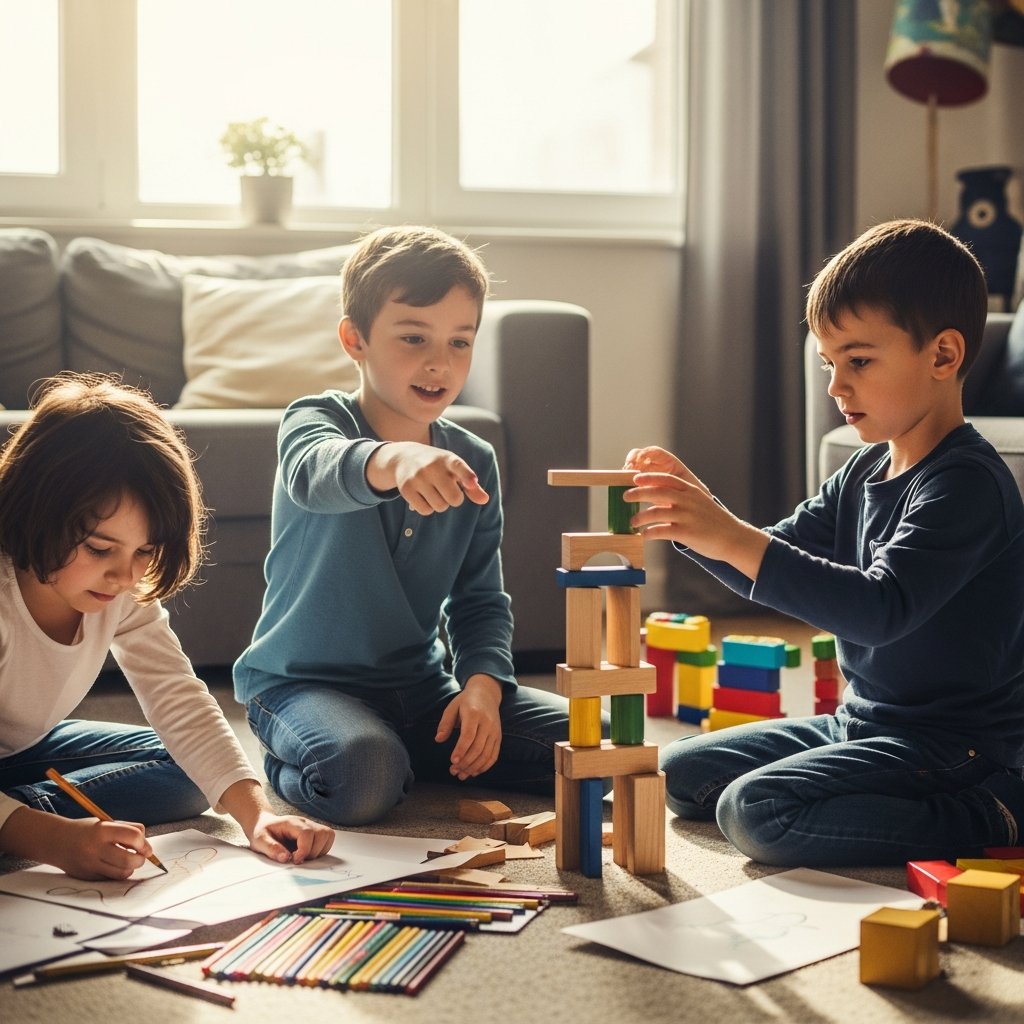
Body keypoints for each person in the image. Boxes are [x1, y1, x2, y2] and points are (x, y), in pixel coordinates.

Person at [624, 219, 1024, 866]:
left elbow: (879, 608)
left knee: (755, 810)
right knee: (675, 771)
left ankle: (993, 815)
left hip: (960, 750)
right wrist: (692, 518)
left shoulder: (967, 485)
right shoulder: (864, 470)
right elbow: (768, 556)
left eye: (859, 361)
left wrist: (728, 533)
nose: (837, 387)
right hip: (861, 725)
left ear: (943, 356)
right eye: (829, 364)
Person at [234, 226, 577, 827]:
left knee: (600, 747)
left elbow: (480, 602)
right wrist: (394, 460)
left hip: (421, 692)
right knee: (363, 775)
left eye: (459, 342)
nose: (439, 362)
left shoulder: (476, 459)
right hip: (301, 686)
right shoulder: (314, 420)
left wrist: (482, 689)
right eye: (413, 337)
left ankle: (408, 753)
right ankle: (303, 758)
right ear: (354, 339)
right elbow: (314, 472)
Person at [0, 375, 334, 880]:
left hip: (22, 749)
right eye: (98, 548)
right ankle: (24, 820)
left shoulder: (118, 588)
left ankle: (16, 812)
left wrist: (258, 814)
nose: (125, 574)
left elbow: (176, 695)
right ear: (32, 509)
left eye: (145, 551)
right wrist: (52, 839)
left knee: (195, 773)